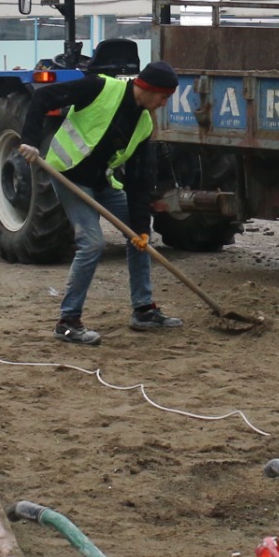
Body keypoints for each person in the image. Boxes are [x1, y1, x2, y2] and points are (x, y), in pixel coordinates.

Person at [27, 61, 184, 346]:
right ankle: (68, 322)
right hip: (68, 175)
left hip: (101, 182)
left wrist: (140, 228)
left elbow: (139, 181)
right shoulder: (98, 87)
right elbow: (42, 97)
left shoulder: (144, 124)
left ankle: (143, 310)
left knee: (139, 237)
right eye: (163, 97)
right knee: (92, 243)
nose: (163, 104)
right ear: (148, 89)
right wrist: (30, 141)